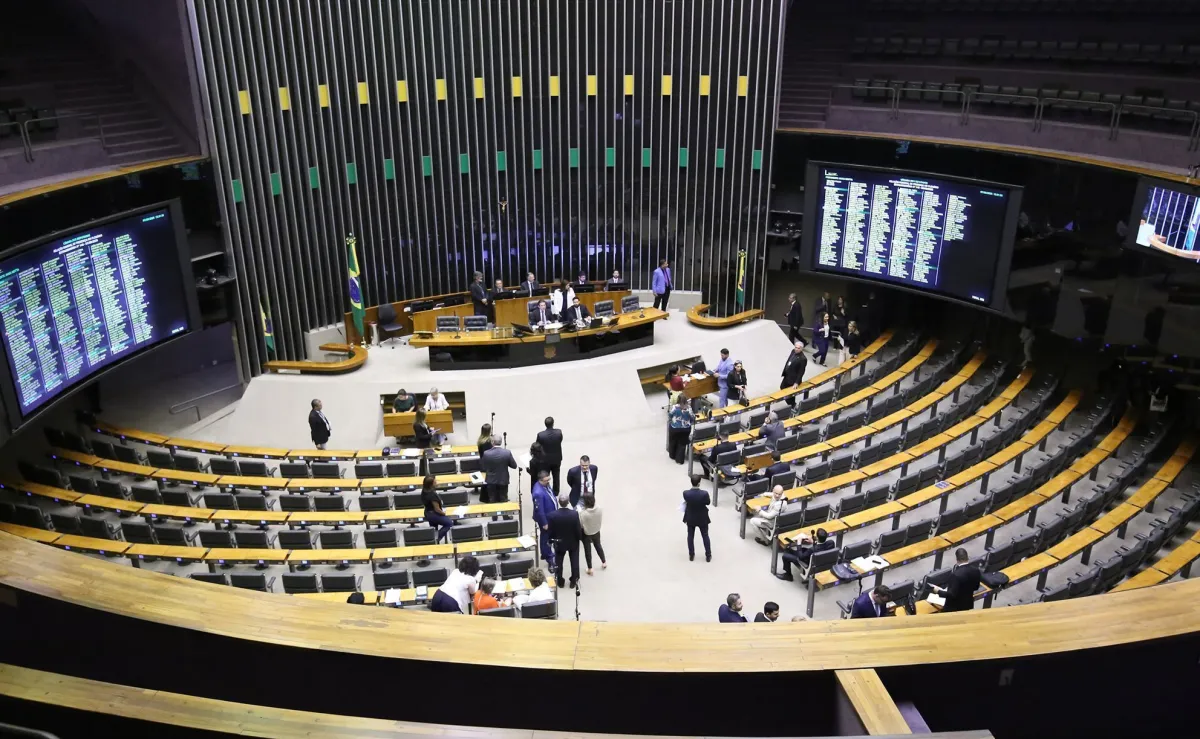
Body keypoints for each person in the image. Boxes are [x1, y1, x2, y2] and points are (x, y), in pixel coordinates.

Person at [930, 548, 982, 613]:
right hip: (968, 605)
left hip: (954, 608)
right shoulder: (976, 570)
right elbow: (976, 587)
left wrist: (938, 591)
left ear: (957, 559)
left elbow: (951, 595)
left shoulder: (955, 575)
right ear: (967, 557)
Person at [548, 493, 582, 588]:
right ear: (568, 502)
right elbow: (578, 529)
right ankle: (574, 580)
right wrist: (579, 538)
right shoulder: (574, 514)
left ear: (559, 502)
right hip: (573, 541)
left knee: (559, 562)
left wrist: (551, 540)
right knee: (574, 561)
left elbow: (551, 530)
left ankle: (560, 580)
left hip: (559, 542)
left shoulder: (553, 515)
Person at [682, 474, 712, 562]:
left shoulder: (686, 493)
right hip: (702, 518)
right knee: (705, 536)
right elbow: (708, 502)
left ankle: (691, 555)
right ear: (699, 483)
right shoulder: (704, 494)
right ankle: (708, 555)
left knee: (690, 536)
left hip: (690, 517)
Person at [531, 470, 557, 566]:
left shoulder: (545, 485)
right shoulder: (538, 493)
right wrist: (544, 523)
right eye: (546, 480)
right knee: (546, 538)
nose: (548, 482)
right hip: (545, 518)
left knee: (546, 536)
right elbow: (539, 510)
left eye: (549, 479)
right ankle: (549, 557)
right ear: (540, 480)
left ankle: (544, 553)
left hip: (550, 515)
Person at [482, 435, 517, 503]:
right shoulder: (507, 452)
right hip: (503, 480)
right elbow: (514, 466)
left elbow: (483, 466)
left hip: (491, 481)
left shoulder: (486, 453)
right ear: (501, 442)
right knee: (503, 500)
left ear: (492, 442)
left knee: (492, 500)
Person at [421, 475, 455, 543]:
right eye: (435, 482)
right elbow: (437, 509)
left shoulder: (424, 490)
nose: (436, 482)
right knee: (449, 523)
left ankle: (433, 540)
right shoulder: (432, 495)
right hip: (434, 514)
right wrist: (444, 513)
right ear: (431, 485)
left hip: (427, 512)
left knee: (434, 528)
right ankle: (437, 538)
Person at [579, 493, 606, 575]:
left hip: (587, 533)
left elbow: (581, 524)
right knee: (598, 545)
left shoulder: (583, 514)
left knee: (588, 550)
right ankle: (604, 562)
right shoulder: (599, 509)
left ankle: (590, 568)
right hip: (596, 530)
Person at [536, 417, 564, 492]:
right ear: (553, 423)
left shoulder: (541, 435)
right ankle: (556, 491)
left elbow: (538, 445)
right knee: (556, 476)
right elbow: (560, 440)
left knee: (545, 476)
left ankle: (546, 490)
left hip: (545, 460)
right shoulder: (558, 432)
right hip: (556, 459)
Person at [780, 340, 808, 406]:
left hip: (793, 379)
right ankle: (792, 404)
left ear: (802, 349)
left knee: (791, 394)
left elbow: (801, 371)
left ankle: (792, 405)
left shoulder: (803, 359)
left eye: (798, 348)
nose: (796, 349)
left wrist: (796, 382)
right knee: (782, 387)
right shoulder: (793, 351)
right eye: (796, 347)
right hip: (787, 375)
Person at [667, 396, 694, 464]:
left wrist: (672, 421)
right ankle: (679, 460)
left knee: (673, 440)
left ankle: (672, 455)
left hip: (675, 428)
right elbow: (692, 418)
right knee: (682, 444)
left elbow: (670, 415)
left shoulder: (675, 407)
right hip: (686, 429)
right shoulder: (689, 408)